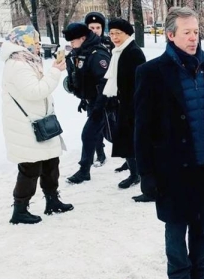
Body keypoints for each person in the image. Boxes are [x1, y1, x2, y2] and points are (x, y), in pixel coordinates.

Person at [134, 7, 204, 279]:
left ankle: (199, 278)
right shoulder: (151, 73)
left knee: (201, 227)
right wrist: (146, 174)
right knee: (176, 227)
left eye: (196, 32)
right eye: (187, 33)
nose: (193, 38)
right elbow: (142, 129)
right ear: (170, 35)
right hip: (171, 170)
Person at [1, 25, 74, 224]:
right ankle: (20, 210)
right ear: (23, 42)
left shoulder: (27, 60)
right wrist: (55, 72)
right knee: (30, 168)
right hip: (26, 126)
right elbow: (34, 92)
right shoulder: (17, 64)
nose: (38, 44)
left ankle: (52, 201)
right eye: (35, 40)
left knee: (51, 163)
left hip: (40, 123)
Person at [101, 19, 152, 200]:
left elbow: (141, 82)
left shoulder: (133, 53)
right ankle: (134, 173)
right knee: (125, 141)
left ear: (127, 34)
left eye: (118, 33)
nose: (114, 37)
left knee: (137, 144)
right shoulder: (117, 52)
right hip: (123, 103)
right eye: (112, 33)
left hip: (134, 106)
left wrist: (134, 105)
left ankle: (146, 182)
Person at [62, 23, 111, 184]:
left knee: (110, 135)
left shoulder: (97, 54)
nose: (71, 45)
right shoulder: (82, 52)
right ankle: (85, 170)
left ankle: (139, 169)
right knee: (93, 135)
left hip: (104, 104)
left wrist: (99, 105)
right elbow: (85, 80)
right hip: (93, 103)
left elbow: (105, 83)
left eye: (73, 41)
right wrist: (84, 99)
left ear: (83, 38)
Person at [85, 12, 112, 166]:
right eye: (91, 27)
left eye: (98, 27)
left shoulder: (109, 43)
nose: (95, 30)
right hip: (93, 94)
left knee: (114, 125)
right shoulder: (85, 46)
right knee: (94, 126)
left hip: (110, 92)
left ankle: (127, 158)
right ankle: (100, 154)